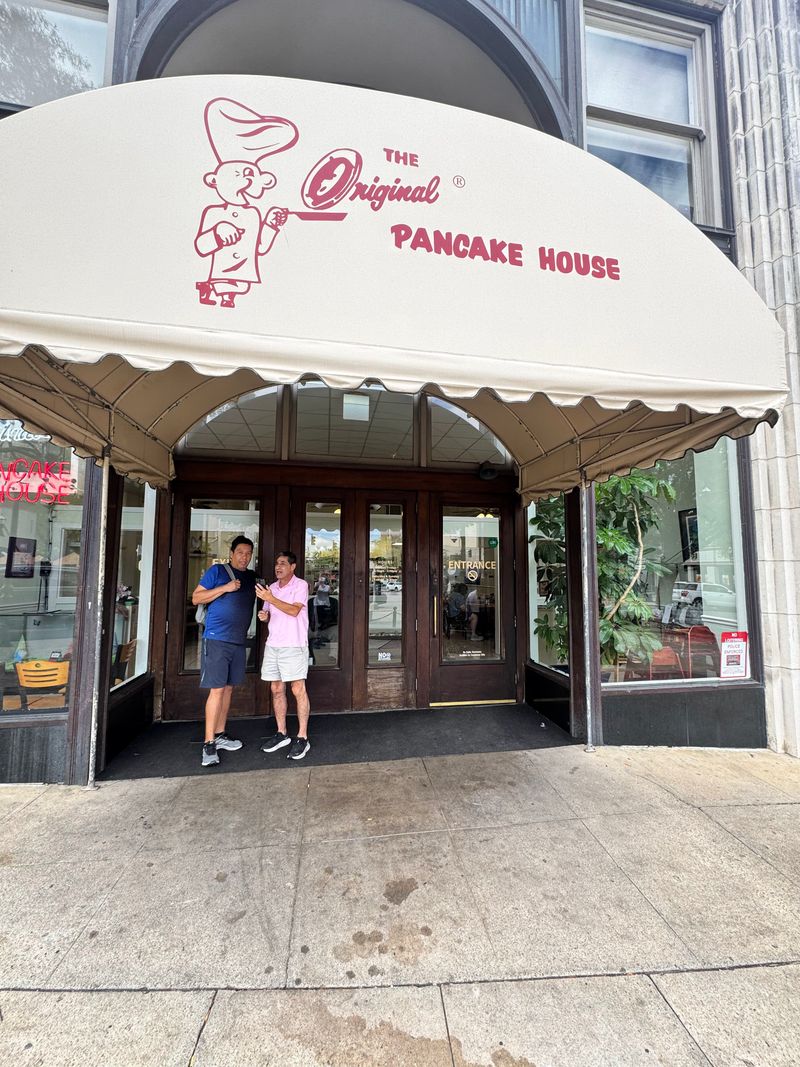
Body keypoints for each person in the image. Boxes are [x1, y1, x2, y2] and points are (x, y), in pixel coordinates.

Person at [192, 535, 257, 767]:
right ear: (231, 553)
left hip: (238, 641)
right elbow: (196, 597)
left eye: (248, 553)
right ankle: (208, 743)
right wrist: (225, 588)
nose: (244, 557)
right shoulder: (217, 571)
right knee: (217, 690)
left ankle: (220, 734)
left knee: (228, 689)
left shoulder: (251, 577)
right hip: (216, 638)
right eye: (240, 552)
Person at [258, 551, 311, 760]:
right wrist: (264, 615)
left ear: (293, 566)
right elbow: (268, 612)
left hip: (294, 645)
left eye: (282, 563)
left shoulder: (300, 585)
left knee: (298, 689)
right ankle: (282, 733)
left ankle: (302, 737)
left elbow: (294, 611)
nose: (278, 567)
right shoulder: (270, 588)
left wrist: (271, 598)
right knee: (276, 688)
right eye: (276, 564)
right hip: (273, 645)